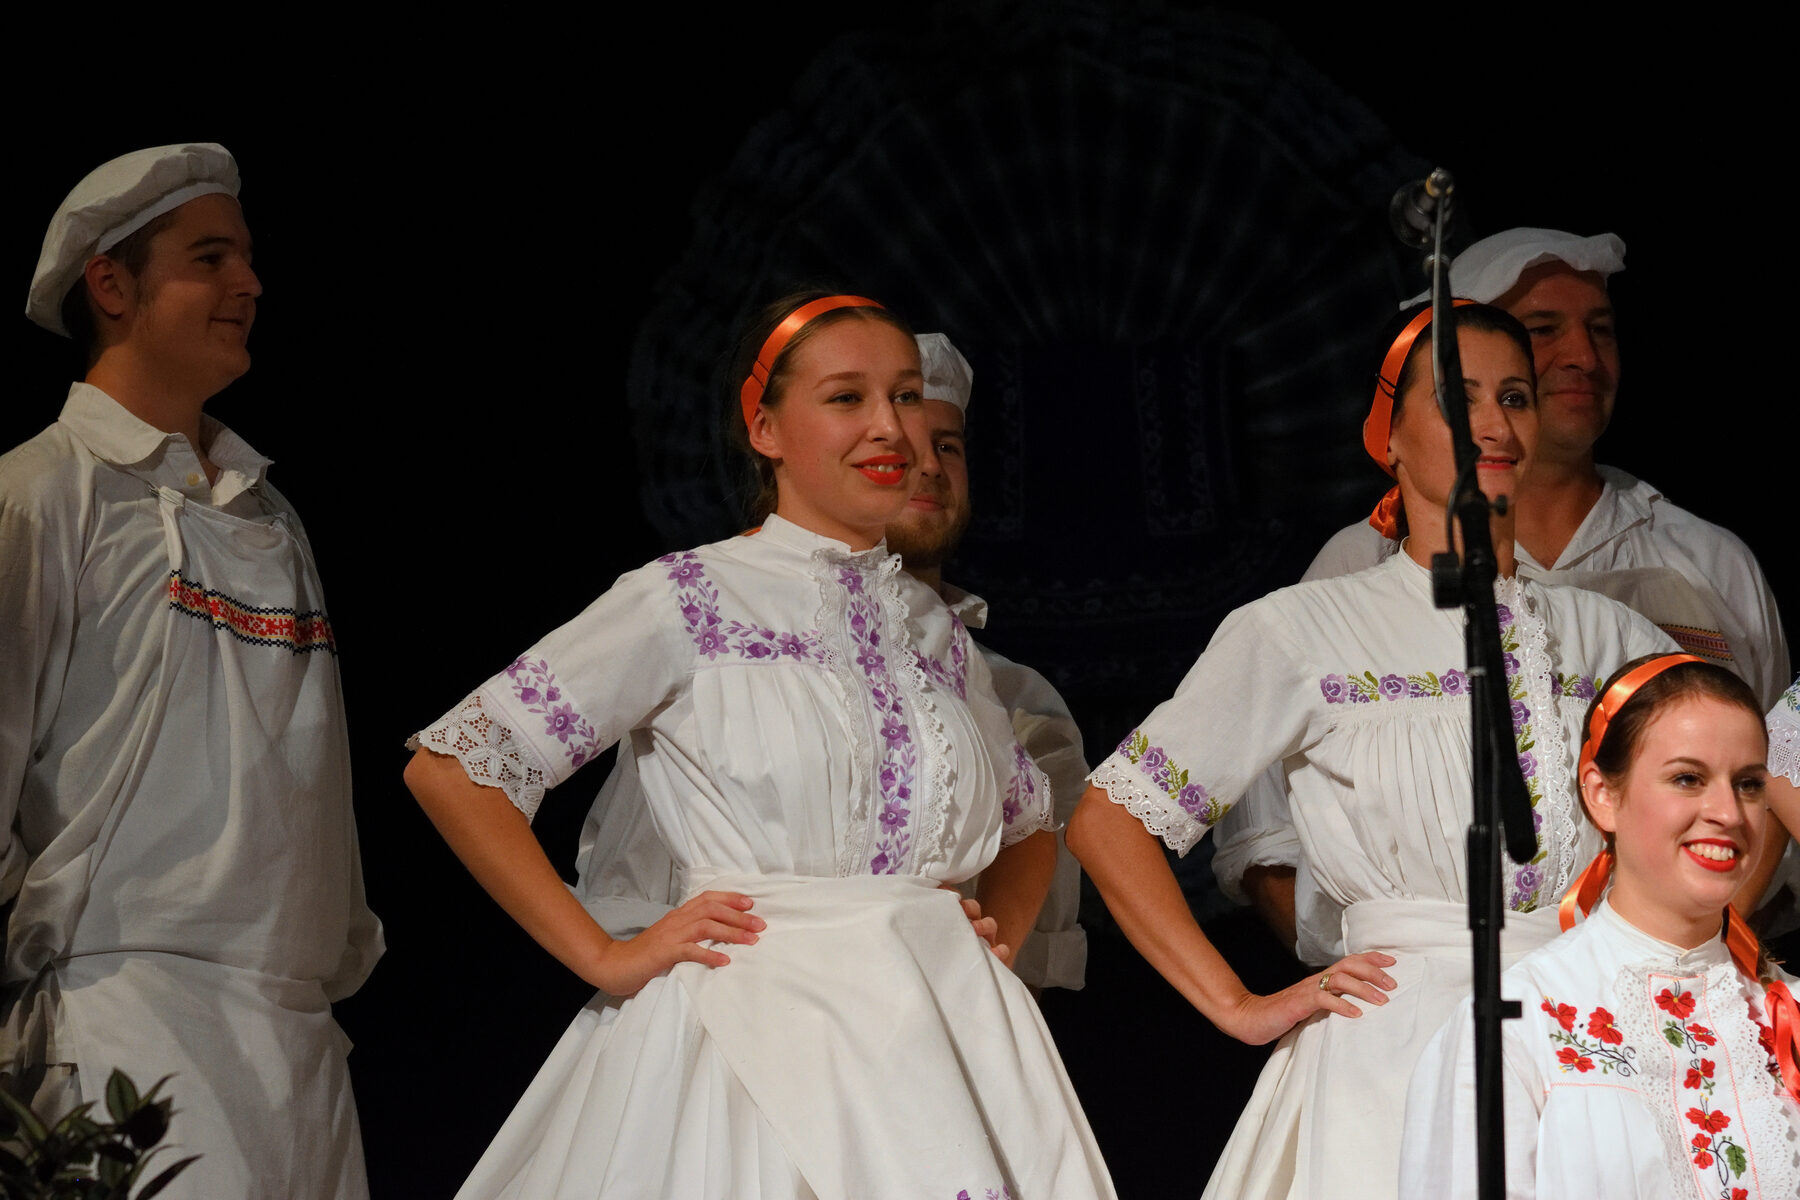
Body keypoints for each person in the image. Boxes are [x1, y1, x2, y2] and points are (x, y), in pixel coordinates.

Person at [404, 294, 1114, 1198]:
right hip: (747, 1036)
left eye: (903, 396)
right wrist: (603, 955)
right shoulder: (687, 599)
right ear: (765, 427)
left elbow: (1030, 818)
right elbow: (457, 768)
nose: (890, 426)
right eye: (847, 398)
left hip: (940, 1044)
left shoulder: (936, 634)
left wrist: (988, 947)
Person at [1067, 301, 1677, 1200]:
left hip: (1595, 1038)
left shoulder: (1618, 639)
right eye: (1458, 397)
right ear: (1388, 436)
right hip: (1396, 1053)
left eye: (1514, 396)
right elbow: (1107, 820)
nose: (1493, 423)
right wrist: (1239, 1005)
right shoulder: (1304, 629)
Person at [1215, 228, 1792, 966]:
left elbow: (1770, 782)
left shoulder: (1707, 560)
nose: (1583, 357)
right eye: (1543, 330)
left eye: (1601, 330)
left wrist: (1674, 968)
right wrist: (1358, 986)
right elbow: (1263, 829)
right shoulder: (1359, 567)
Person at [0, 144, 382, 1198]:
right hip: (122, 1009)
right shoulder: (43, 494)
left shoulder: (269, 513)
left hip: (295, 1029)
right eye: (210, 259)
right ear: (111, 286)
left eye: (248, 258)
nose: (248, 284)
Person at [573, 331, 1089, 990]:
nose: (918, 458)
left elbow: (1035, 861)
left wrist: (988, 964)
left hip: (933, 1013)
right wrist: (621, 961)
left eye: (946, 445)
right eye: (859, 412)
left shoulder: (1000, 684)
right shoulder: (713, 633)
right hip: (743, 1000)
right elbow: (630, 888)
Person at [1400, 655, 1800, 1199]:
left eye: (1748, 784)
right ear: (1602, 794)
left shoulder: (1784, 1014)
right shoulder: (1518, 1021)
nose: (1728, 812)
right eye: (1688, 778)